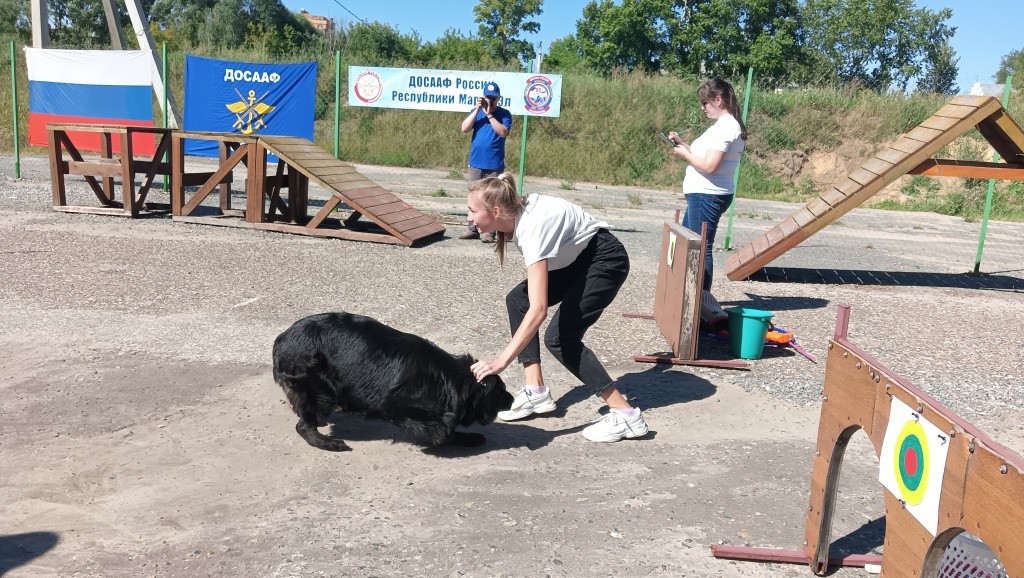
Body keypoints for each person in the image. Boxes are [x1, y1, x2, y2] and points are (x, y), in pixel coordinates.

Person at [466, 173, 649, 443]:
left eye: (472, 211)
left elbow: (539, 310)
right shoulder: (515, 215)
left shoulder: (532, 229)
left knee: (560, 338)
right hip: (578, 259)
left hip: (605, 260)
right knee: (518, 299)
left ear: (495, 211)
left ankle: (626, 415)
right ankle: (536, 391)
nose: (468, 217)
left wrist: (501, 361)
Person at [668, 77, 747, 329]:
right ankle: (694, 304)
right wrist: (685, 146)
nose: (703, 107)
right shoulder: (724, 125)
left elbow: (710, 167)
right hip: (705, 193)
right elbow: (705, 156)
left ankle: (701, 307)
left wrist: (684, 154)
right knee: (693, 246)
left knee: (700, 249)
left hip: (708, 194)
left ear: (718, 99)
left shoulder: (726, 127)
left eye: (705, 102)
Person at [459, 82, 512, 244]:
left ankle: (489, 231)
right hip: (476, 161)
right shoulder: (477, 113)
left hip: (494, 163)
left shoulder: (504, 114)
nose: (490, 101)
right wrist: (477, 110)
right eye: (487, 98)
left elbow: (503, 132)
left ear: (498, 98)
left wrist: (490, 115)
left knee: (492, 197)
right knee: (474, 196)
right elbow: (464, 128)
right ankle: (472, 228)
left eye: (493, 98)